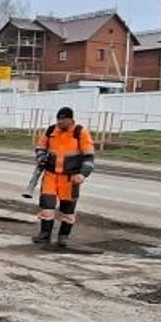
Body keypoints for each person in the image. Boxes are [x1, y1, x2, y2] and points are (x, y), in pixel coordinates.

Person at [32, 106, 96, 248]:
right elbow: (40, 147)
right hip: (51, 175)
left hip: (70, 178)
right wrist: (41, 157)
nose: (60, 123)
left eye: (63, 120)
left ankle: (63, 237)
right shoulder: (51, 131)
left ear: (70, 119)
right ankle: (44, 235)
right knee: (46, 206)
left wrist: (83, 174)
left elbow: (89, 156)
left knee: (68, 209)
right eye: (58, 119)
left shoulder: (80, 132)